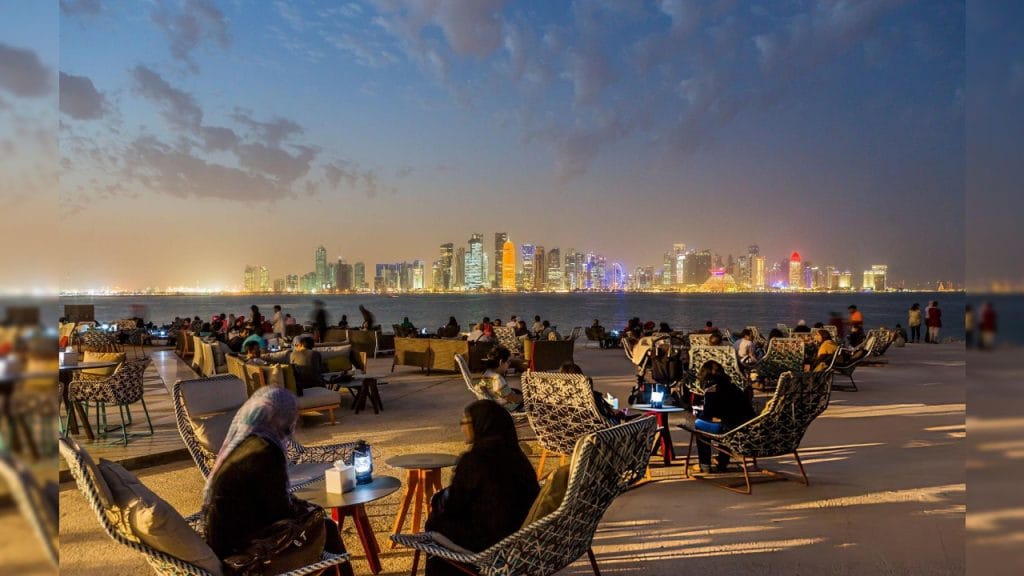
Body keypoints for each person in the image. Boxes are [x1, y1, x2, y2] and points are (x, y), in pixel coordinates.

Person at [202, 387, 350, 573]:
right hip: (244, 549)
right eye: (290, 416)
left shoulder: (242, 442)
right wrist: (305, 510)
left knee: (319, 525)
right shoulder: (265, 452)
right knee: (323, 528)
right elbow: (278, 511)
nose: (293, 423)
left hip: (223, 539)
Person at [424, 400, 539, 576]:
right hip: (520, 540)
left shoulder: (475, 460)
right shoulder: (517, 458)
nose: (462, 427)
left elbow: (454, 507)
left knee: (434, 524)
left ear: (481, 424)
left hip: (491, 542)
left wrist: (438, 502)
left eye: (466, 422)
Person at [692, 361, 754, 473]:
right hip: (742, 427)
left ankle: (705, 464)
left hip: (727, 428)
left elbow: (708, 414)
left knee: (699, 425)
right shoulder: (734, 387)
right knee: (725, 424)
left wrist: (698, 413)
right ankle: (722, 462)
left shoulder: (712, 389)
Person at [477, 347, 522, 411]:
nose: (509, 364)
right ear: (501, 362)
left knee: (517, 392)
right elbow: (513, 399)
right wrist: (525, 397)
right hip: (507, 407)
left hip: (497, 402)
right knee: (533, 402)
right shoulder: (497, 379)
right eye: (508, 362)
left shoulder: (487, 373)